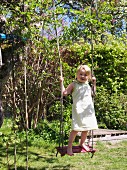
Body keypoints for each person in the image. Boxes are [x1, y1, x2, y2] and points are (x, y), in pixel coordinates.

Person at [60, 64, 98, 156]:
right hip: (78, 110)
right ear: (77, 74)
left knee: (86, 129)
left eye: (85, 75)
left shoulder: (88, 85)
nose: (83, 76)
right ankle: (69, 147)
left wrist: (94, 83)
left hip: (88, 110)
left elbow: (93, 94)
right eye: (81, 74)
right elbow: (64, 93)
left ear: (88, 77)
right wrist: (61, 82)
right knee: (76, 129)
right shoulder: (74, 84)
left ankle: (82, 144)